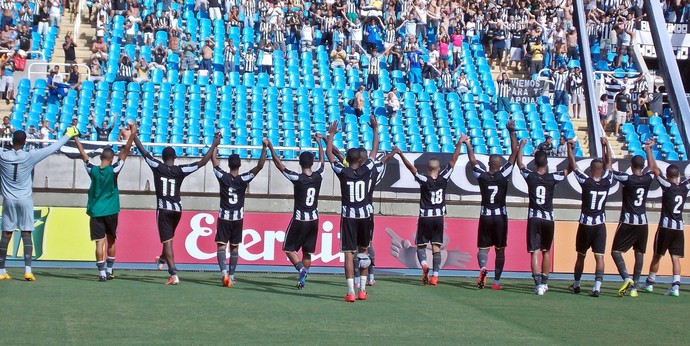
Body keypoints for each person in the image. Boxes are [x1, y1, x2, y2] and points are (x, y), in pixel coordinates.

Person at [133, 132, 221, 285]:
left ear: (162, 157)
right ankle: (161, 259)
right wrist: (214, 144)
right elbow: (201, 163)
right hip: (177, 210)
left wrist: (134, 135)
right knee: (169, 239)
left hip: (164, 209)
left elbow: (143, 152)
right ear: (175, 158)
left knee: (168, 242)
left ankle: (173, 274)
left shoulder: (157, 166)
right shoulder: (180, 170)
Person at [0, 126, 78, 282]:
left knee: (6, 233)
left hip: (8, 199)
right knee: (26, 232)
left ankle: (1, 270)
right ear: (25, 142)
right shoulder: (30, 156)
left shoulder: (3, 155)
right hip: (25, 199)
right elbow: (52, 148)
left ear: (11, 140)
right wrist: (68, 134)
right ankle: (28, 270)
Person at [394, 135, 466, 286]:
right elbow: (453, 161)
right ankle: (436, 275)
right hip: (439, 217)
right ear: (439, 169)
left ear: (427, 169)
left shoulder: (424, 179)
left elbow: (411, 168)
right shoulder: (444, 177)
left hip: (425, 216)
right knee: (436, 246)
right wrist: (459, 143)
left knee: (421, 246)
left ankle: (425, 265)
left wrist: (401, 155)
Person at [325, 115, 379, 302]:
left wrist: (331, 135)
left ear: (347, 159)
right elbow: (374, 151)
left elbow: (330, 156)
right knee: (363, 251)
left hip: (349, 216)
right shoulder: (367, 169)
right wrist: (375, 129)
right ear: (361, 160)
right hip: (365, 216)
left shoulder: (344, 172)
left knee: (349, 254)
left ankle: (350, 292)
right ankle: (363, 290)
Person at [74, 124, 136, 281]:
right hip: (111, 211)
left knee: (98, 243)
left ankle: (101, 273)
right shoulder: (114, 170)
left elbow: (83, 155)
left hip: (96, 211)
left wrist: (75, 138)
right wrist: (133, 134)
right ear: (112, 158)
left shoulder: (92, 170)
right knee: (111, 240)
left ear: (101, 157)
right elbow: (126, 151)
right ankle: (109, 270)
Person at [516, 138, 575, 295]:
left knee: (534, 251)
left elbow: (520, 164)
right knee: (546, 251)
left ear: (535, 163)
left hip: (534, 217)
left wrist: (521, 147)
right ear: (546, 163)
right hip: (548, 218)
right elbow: (571, 168)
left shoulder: (530, 176)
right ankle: (544, 283)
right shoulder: (552, 178)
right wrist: (571, 149)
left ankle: (538, 284)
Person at [265, 135, 324, 289]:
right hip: (314, 220)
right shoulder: (318, 176)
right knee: (307, 252)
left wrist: (271, 146)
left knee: (288, 248)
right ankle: (302, 280)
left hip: (300, 219)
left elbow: (279, 165)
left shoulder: (297, 178)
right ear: (312, 163)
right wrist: (319, 143)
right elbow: (323, 162)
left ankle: (301, 269)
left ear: (300, 163)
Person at [467, 120, 519, 290]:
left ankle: (483, 268)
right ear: (499, 165)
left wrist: (468, 144)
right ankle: (496, 282)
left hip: (485, 215)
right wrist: (511, 132)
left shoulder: (481, 175)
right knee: (500, 249)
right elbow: (514, 153)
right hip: (500, 217)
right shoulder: (504, 174)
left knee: (483, 248)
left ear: (489, 164)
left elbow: (473, 160)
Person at [211, 140, 267, 287]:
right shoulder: (243, 179)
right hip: (237, 218)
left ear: (228, 165)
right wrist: (264, 147)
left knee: (221, 246)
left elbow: (214, 161)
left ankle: (224, 274)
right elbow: (260, 166)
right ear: (240, 165)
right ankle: (232, 275)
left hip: (224, 217)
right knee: (234, 247)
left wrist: (215, 144)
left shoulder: (223, 177)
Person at [610, 141, 656, 298]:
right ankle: (635, 287)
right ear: (642, 166)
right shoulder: (648, 178)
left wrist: (605, 149)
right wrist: (649, 150)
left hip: (628, 221)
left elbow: (609, 170)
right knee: (640, 253)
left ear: (631, 165)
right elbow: (653, 169)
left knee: (616, 251)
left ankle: (626, 277)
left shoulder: (627, 178)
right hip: (643, 222)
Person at [570, 137, 613, 297]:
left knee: (581, 255)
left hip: (585, 224)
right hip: (600, 224)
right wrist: (605, 146)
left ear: (591, 169)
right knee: (599, 256)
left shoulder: (586, 182)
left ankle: (576, 284)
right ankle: (597, 287)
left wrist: (571, 149)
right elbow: (609, 164)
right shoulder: (607, 180)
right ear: (601, 170)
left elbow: (573, 166)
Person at [641, 155, 690, 297]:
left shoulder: (667, 185)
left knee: (657, 255)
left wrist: (649, 150)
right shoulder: (685, 187)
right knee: (675, 257)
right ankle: (675, 286)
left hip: (665, 226)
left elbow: (655, 170)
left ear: (668, 176)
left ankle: (650, 282)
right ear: (679, 175)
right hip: (679, 227)